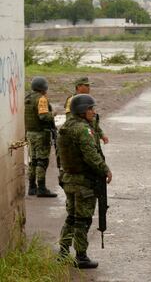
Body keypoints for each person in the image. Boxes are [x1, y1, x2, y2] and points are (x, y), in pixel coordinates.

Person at [57, 94, 112, 269]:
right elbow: (91, 155)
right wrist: (105, 170)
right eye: (90, 108)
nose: (93, 112)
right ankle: (81, 256)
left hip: (68, 179)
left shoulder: (67, 126)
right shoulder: (82, 129)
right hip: (83, 182)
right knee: (83, 219)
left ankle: (63, 252)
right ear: (82, 110)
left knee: (71, 218)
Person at [24, 76, 57, 197]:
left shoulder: (27, 98)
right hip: (40, 134)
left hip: (30, 133)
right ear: (43, 88)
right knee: (42, 161)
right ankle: (42, 188)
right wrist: (53, 114)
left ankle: (32, 187)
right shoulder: (41, 99)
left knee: (33, 160)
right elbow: (43, 116)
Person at [64, 77, 109, 145]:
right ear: (78, 86)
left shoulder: (86, 99)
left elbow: (92, 120)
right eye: (86, 85)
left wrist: (101, 134)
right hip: (81, 136)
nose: (89, 88)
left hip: (89, 135)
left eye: (89, 85)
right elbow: (70, 120)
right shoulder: (72, 100)